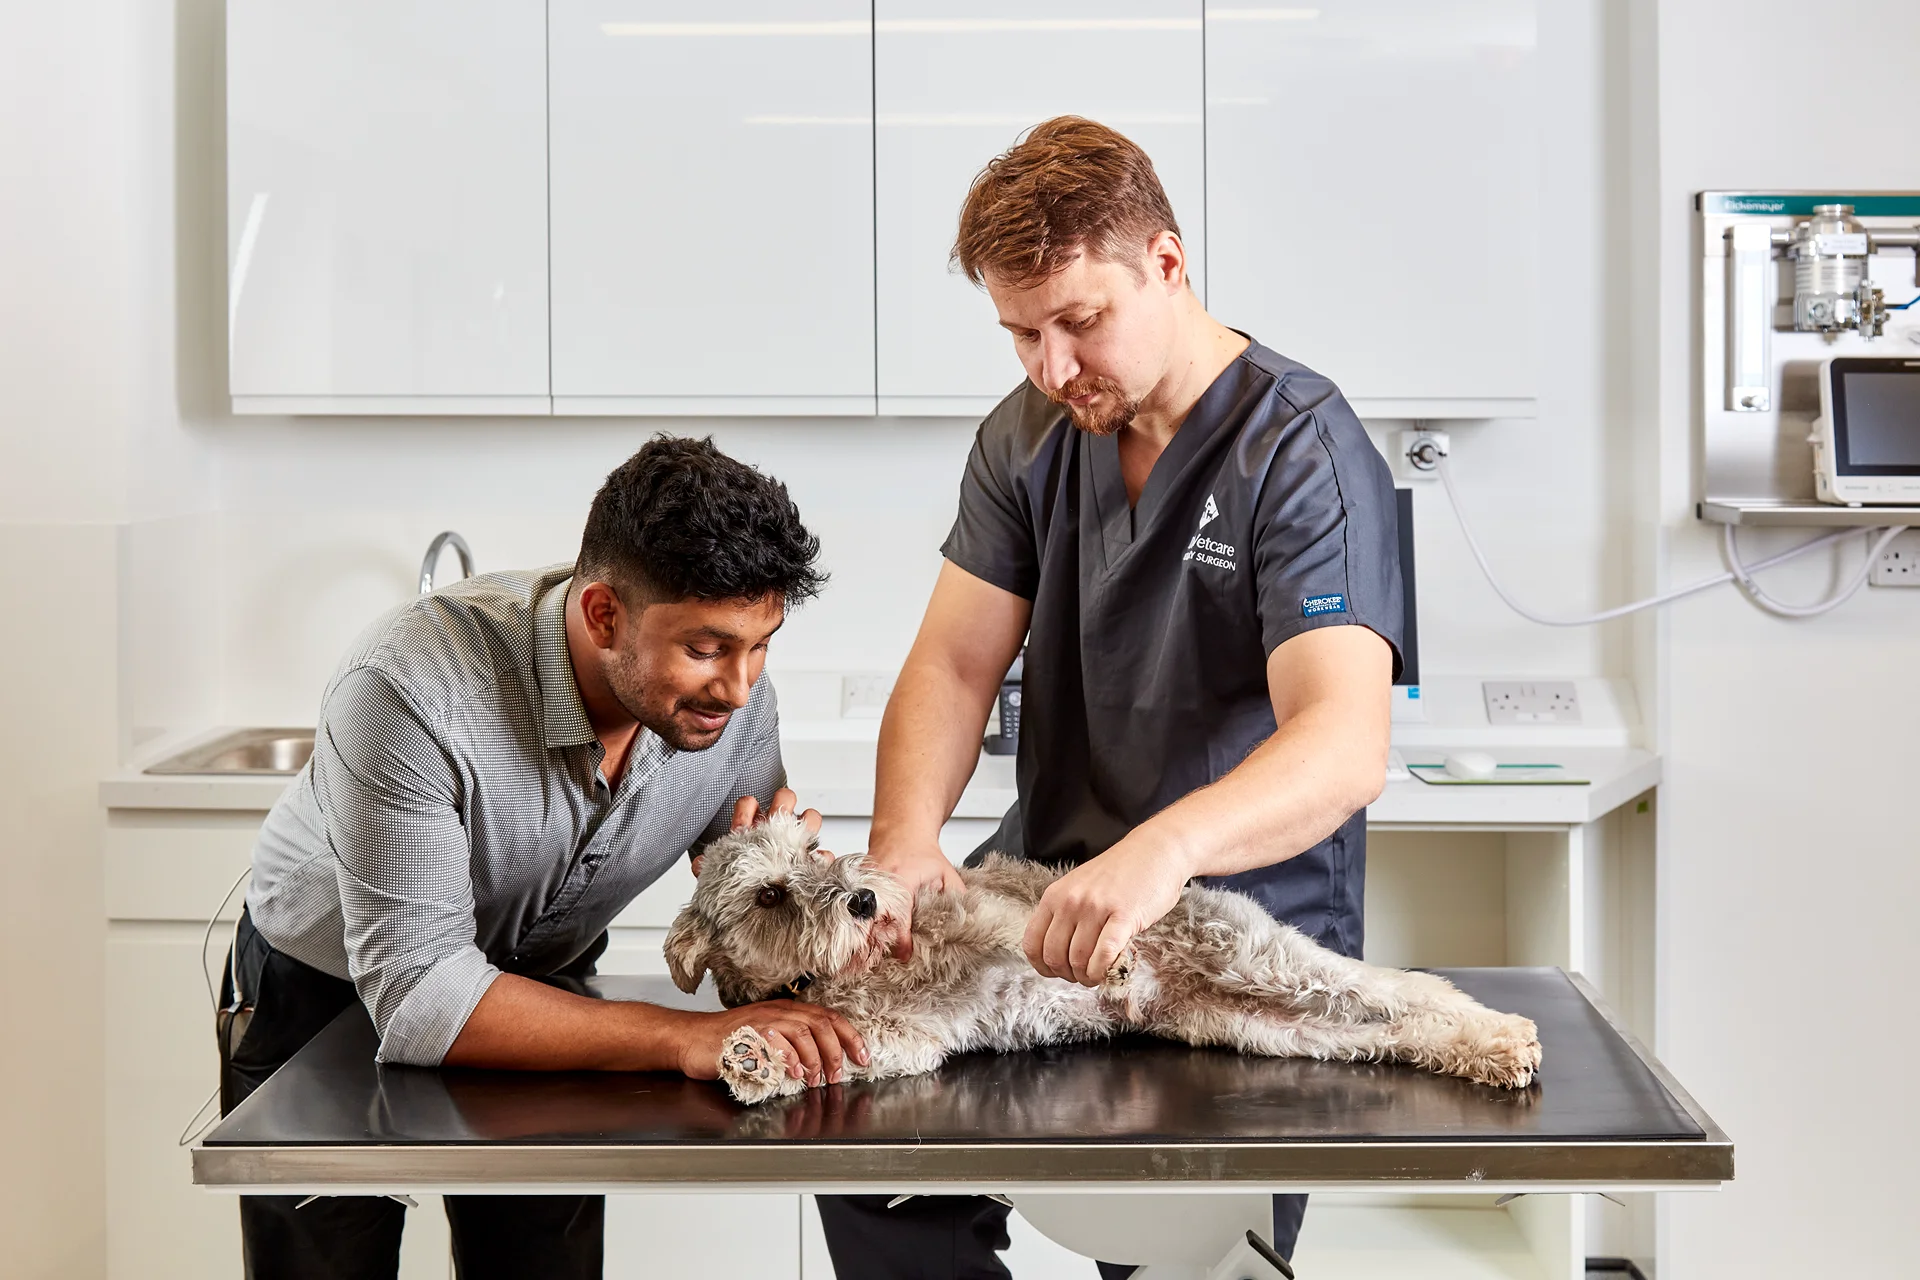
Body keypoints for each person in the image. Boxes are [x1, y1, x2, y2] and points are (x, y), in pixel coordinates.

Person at [815, 117, 1405, 1278]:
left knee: (1172, 1245)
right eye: (1020, 333)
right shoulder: (1029, 433)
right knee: (869, 1154)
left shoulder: (1299, 450)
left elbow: (1342, 743)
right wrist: (904, 843)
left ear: (1168, 265)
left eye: (1080, 322)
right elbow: (950, 664)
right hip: (1043, 901)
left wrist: (1162, 853)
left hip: (1240, 928)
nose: (1050, 367)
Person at [221, 435, 866, 1278]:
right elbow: (423, 996)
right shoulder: (408, 688)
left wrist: (803, 907)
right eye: (707, 649)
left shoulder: (733, 706)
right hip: (324, 992)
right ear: (604, 615)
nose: (740, 689)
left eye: (762, 646)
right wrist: (684, 1037)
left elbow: (745, 897)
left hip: (540, 977)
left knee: (541, 1262)